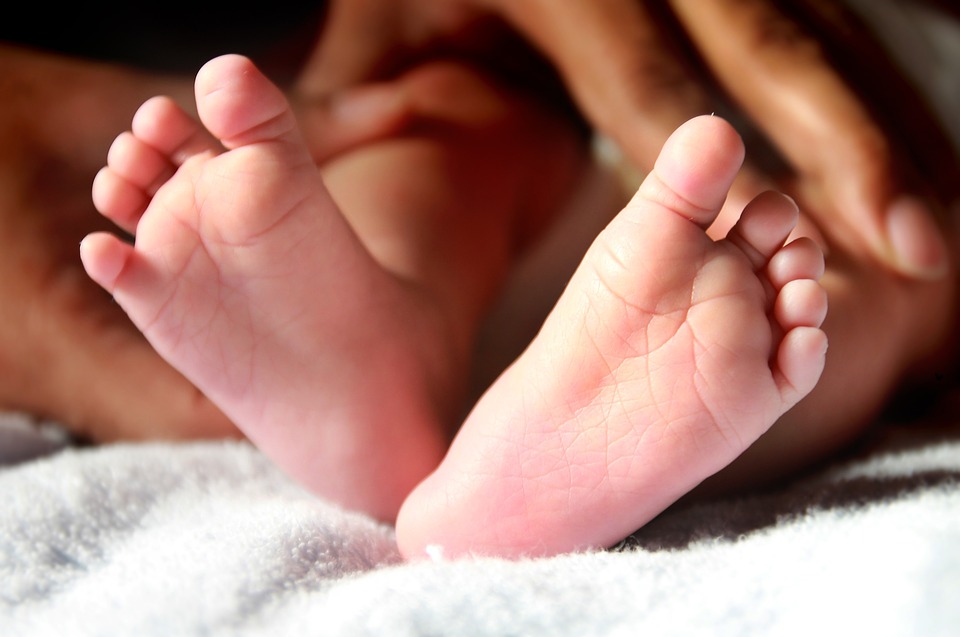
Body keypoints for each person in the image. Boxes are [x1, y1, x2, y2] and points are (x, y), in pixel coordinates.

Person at [4, 0, 959, 557]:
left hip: (756, 160)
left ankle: (418, 350)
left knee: (443, 140)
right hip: (563, 83)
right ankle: (387, 349)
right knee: (860, 271)